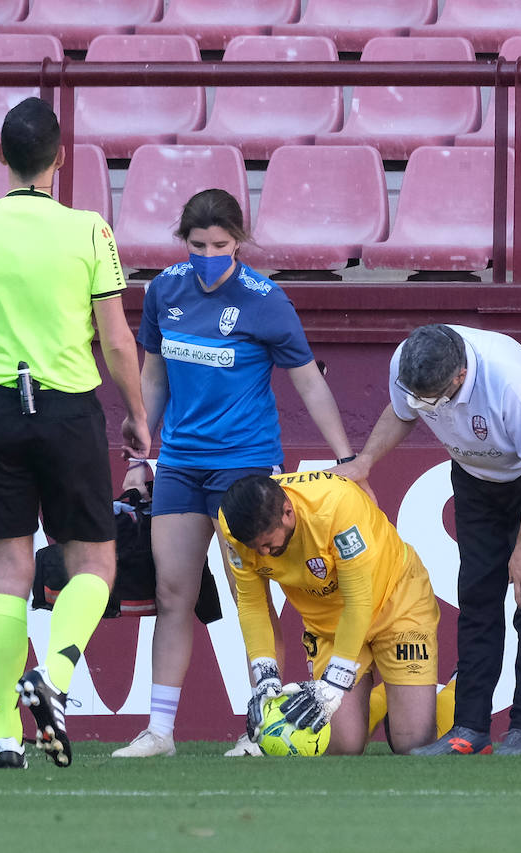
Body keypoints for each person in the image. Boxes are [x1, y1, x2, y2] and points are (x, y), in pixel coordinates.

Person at [0, 97, 150, 769]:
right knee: (95, 564)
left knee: (7, 572)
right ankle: (54, 675)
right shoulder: (89, 231)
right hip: (68, 410)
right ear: (59, 159)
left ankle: (2, 731)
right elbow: (115, 337)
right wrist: (136, 413)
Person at [111, 188, 359, 760]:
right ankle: (161, 731)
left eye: (220, 245)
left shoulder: (265, 300)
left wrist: (346, 457)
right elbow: (154, 376)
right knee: (174, 591)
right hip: (178, 462)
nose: (208, 255)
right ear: (183, 242)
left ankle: (263, 722)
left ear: (239, 242)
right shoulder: (163, 290)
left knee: (249, 590)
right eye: (197, 245)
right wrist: (140, 450)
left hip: (243, 466)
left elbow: (308, 382)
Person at [333, 324, 521, 756]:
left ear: (460, 376)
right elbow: (401, 412)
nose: (423, 407)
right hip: (476, 477)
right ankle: (469, 729)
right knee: (477, 598)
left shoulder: (508, 381)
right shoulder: (407, 362)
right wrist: (365, 461)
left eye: (432, 399)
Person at [218, 472, 439, 755]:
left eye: (266, 544)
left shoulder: (336, 506)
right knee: (340, 747)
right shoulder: (234, 525)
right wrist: (265, 678)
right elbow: (252, 602)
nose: (262, 553)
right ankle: (382, 702)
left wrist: (335, 685)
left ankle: (418, 699)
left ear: (288, 512)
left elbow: (359, 600)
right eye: (254, 548)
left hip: (397, 599)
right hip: (328, 623)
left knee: (414, 745)